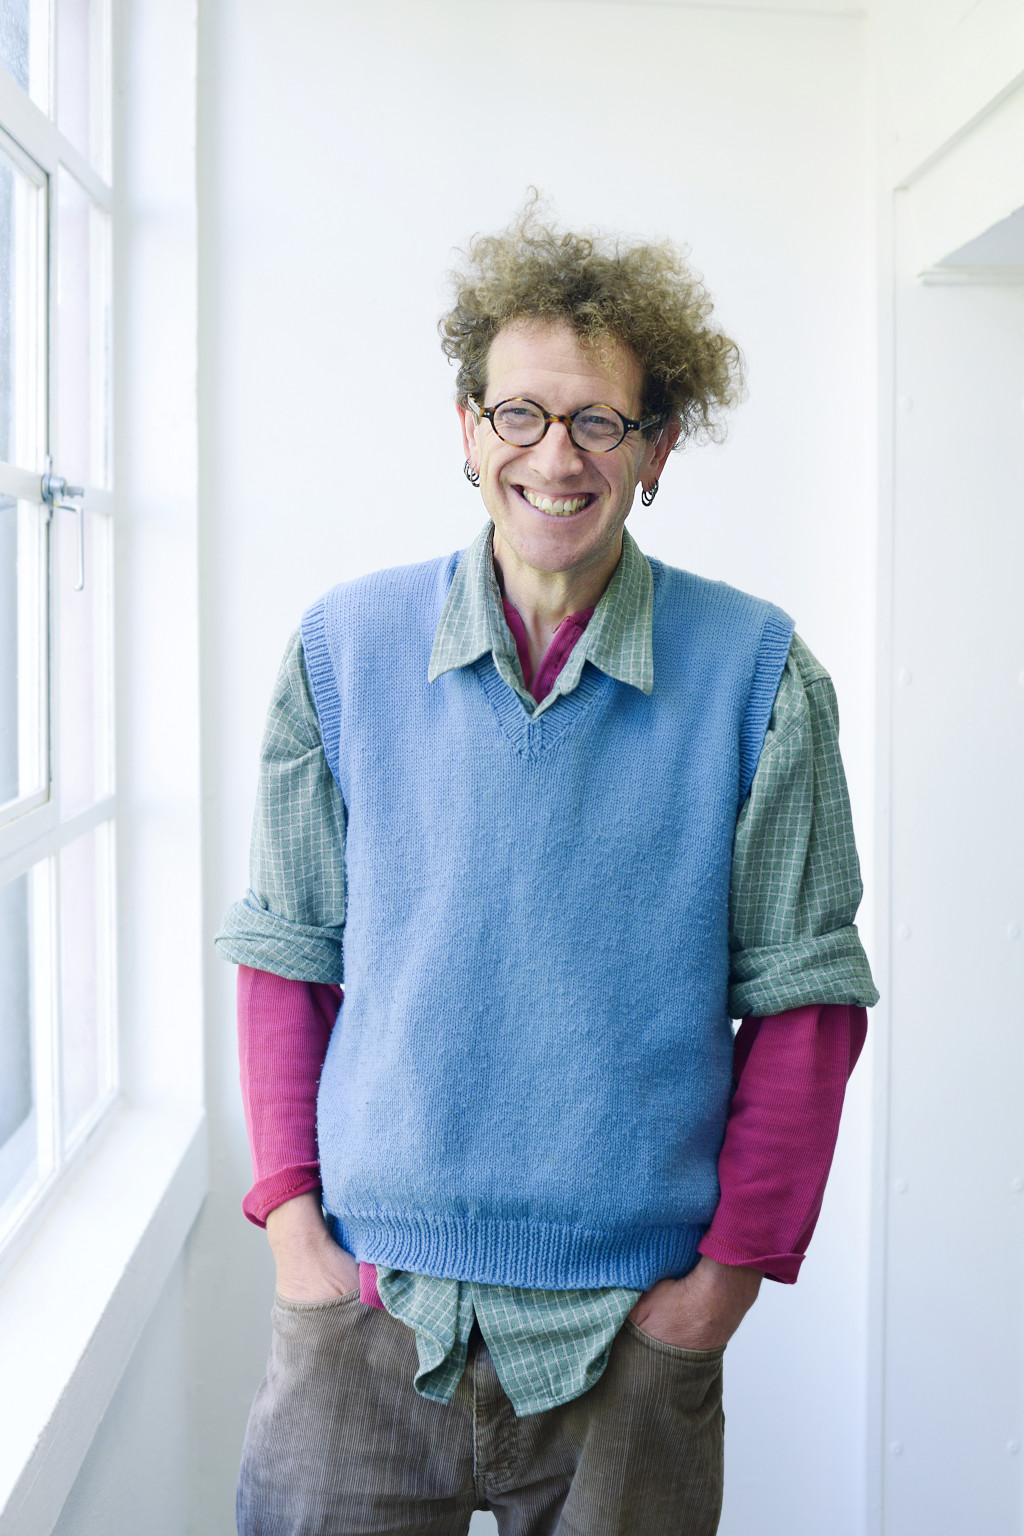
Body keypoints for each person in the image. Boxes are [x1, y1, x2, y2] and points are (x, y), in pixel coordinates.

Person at [216, 201, 878, 1536]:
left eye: (599, 422)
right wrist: (296, 1234)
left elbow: (809, 1007)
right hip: (365, 1307)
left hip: (634, 1338)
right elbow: (288, 955)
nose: (554, 456)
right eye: (519, 414)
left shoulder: (760, 678)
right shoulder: (341, 653)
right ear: (467, 430)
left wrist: (720, 1291)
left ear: (658, 447)